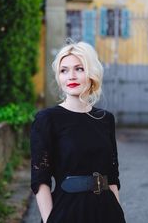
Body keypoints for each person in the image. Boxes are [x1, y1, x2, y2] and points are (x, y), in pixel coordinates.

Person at [30, 41, 126, 223]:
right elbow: (40, 180)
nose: (71, 76)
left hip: (107, 211)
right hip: (66, 212)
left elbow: (112, 177)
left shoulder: (105, 119)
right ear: (58, 77)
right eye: (64, 70)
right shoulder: (47, 119)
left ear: (91, 74)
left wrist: (119, 215)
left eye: (79, 69)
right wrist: (51, 220)